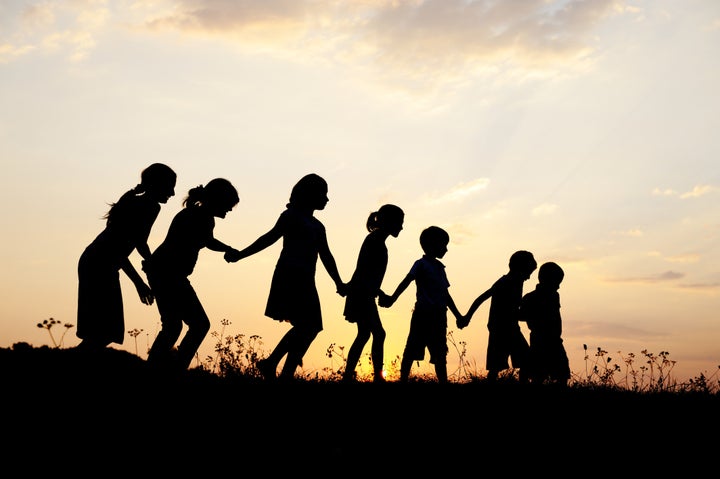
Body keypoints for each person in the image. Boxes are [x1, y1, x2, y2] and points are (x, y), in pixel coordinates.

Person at [226, 173, 347, 381]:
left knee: (310, 328)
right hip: (290, 276)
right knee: (308, 326)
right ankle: (276, 366)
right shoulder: (290, 216)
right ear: (310, 195)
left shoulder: (318, 226)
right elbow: (268, 238)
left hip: (307, 280)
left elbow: (326, 255)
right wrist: (240, 254)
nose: (327, 199)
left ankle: (276, 366)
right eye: (323, 194)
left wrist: (338, 282)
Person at [76, 163, 177, 352]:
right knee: (102, 332)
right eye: (170, 186)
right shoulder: (143, 206)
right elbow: (120, 251)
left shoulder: (148, 206)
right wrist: (140, 282)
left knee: (103, 332)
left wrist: (154, 264)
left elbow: (139, 243)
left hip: (102, 263)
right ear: (157, 184)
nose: (172, 193)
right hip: (98, 263)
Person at [143, 178, 241, 371]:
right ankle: (174, 369)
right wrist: (229, 249)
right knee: (198, 324)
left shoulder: (198, 214)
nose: (229, 210)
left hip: (165, 273)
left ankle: (156, 368)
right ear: (218, 200)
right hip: (169, 274)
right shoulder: (198, 216)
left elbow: (207, 240)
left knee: (173, 326)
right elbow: (207, 240)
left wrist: (227, 249)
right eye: (228, 205)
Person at [379, 226, 462, 383]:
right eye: (443, 245)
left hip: (439, 316)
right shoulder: (421, 264)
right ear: (432, 245)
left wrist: (458, 315)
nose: (446, 249)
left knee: (439, 352)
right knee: (411, 348)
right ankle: (403, 379)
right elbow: (407, 280)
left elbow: (445, 295)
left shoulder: (440, 268)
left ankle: (443, 381)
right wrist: (393, 298)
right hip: (423, 315)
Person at [342, 204, 404, 383]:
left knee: (364, 334)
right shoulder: (375, 241)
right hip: (362, 294)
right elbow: (364, 272)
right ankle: (377, 377)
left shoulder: (377, 240)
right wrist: (380, 293)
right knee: (378, 333)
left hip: (364, 293)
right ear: (389, 222)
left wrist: (378, 292)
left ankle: (350, 376)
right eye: (399, 222)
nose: (401, 227)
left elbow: (366, 273)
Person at [457, 250, 537, 381]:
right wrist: (467, 317)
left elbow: (514, 307)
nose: (528, 277)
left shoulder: (517, 281)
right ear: (519, 269)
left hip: (510, 326)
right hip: (500, 328)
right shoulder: (504, 282)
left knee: (524, 359)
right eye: (528, 273)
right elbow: (482, 298)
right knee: (501, 363)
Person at [520, 261, 571, 385]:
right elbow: (521, 315)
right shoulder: (530, 298)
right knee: (537, 373)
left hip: (554, 340)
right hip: (540, 340)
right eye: (557, 283)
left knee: (561, 373)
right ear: (546, 280)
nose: (558, 286)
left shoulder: (554, 295)